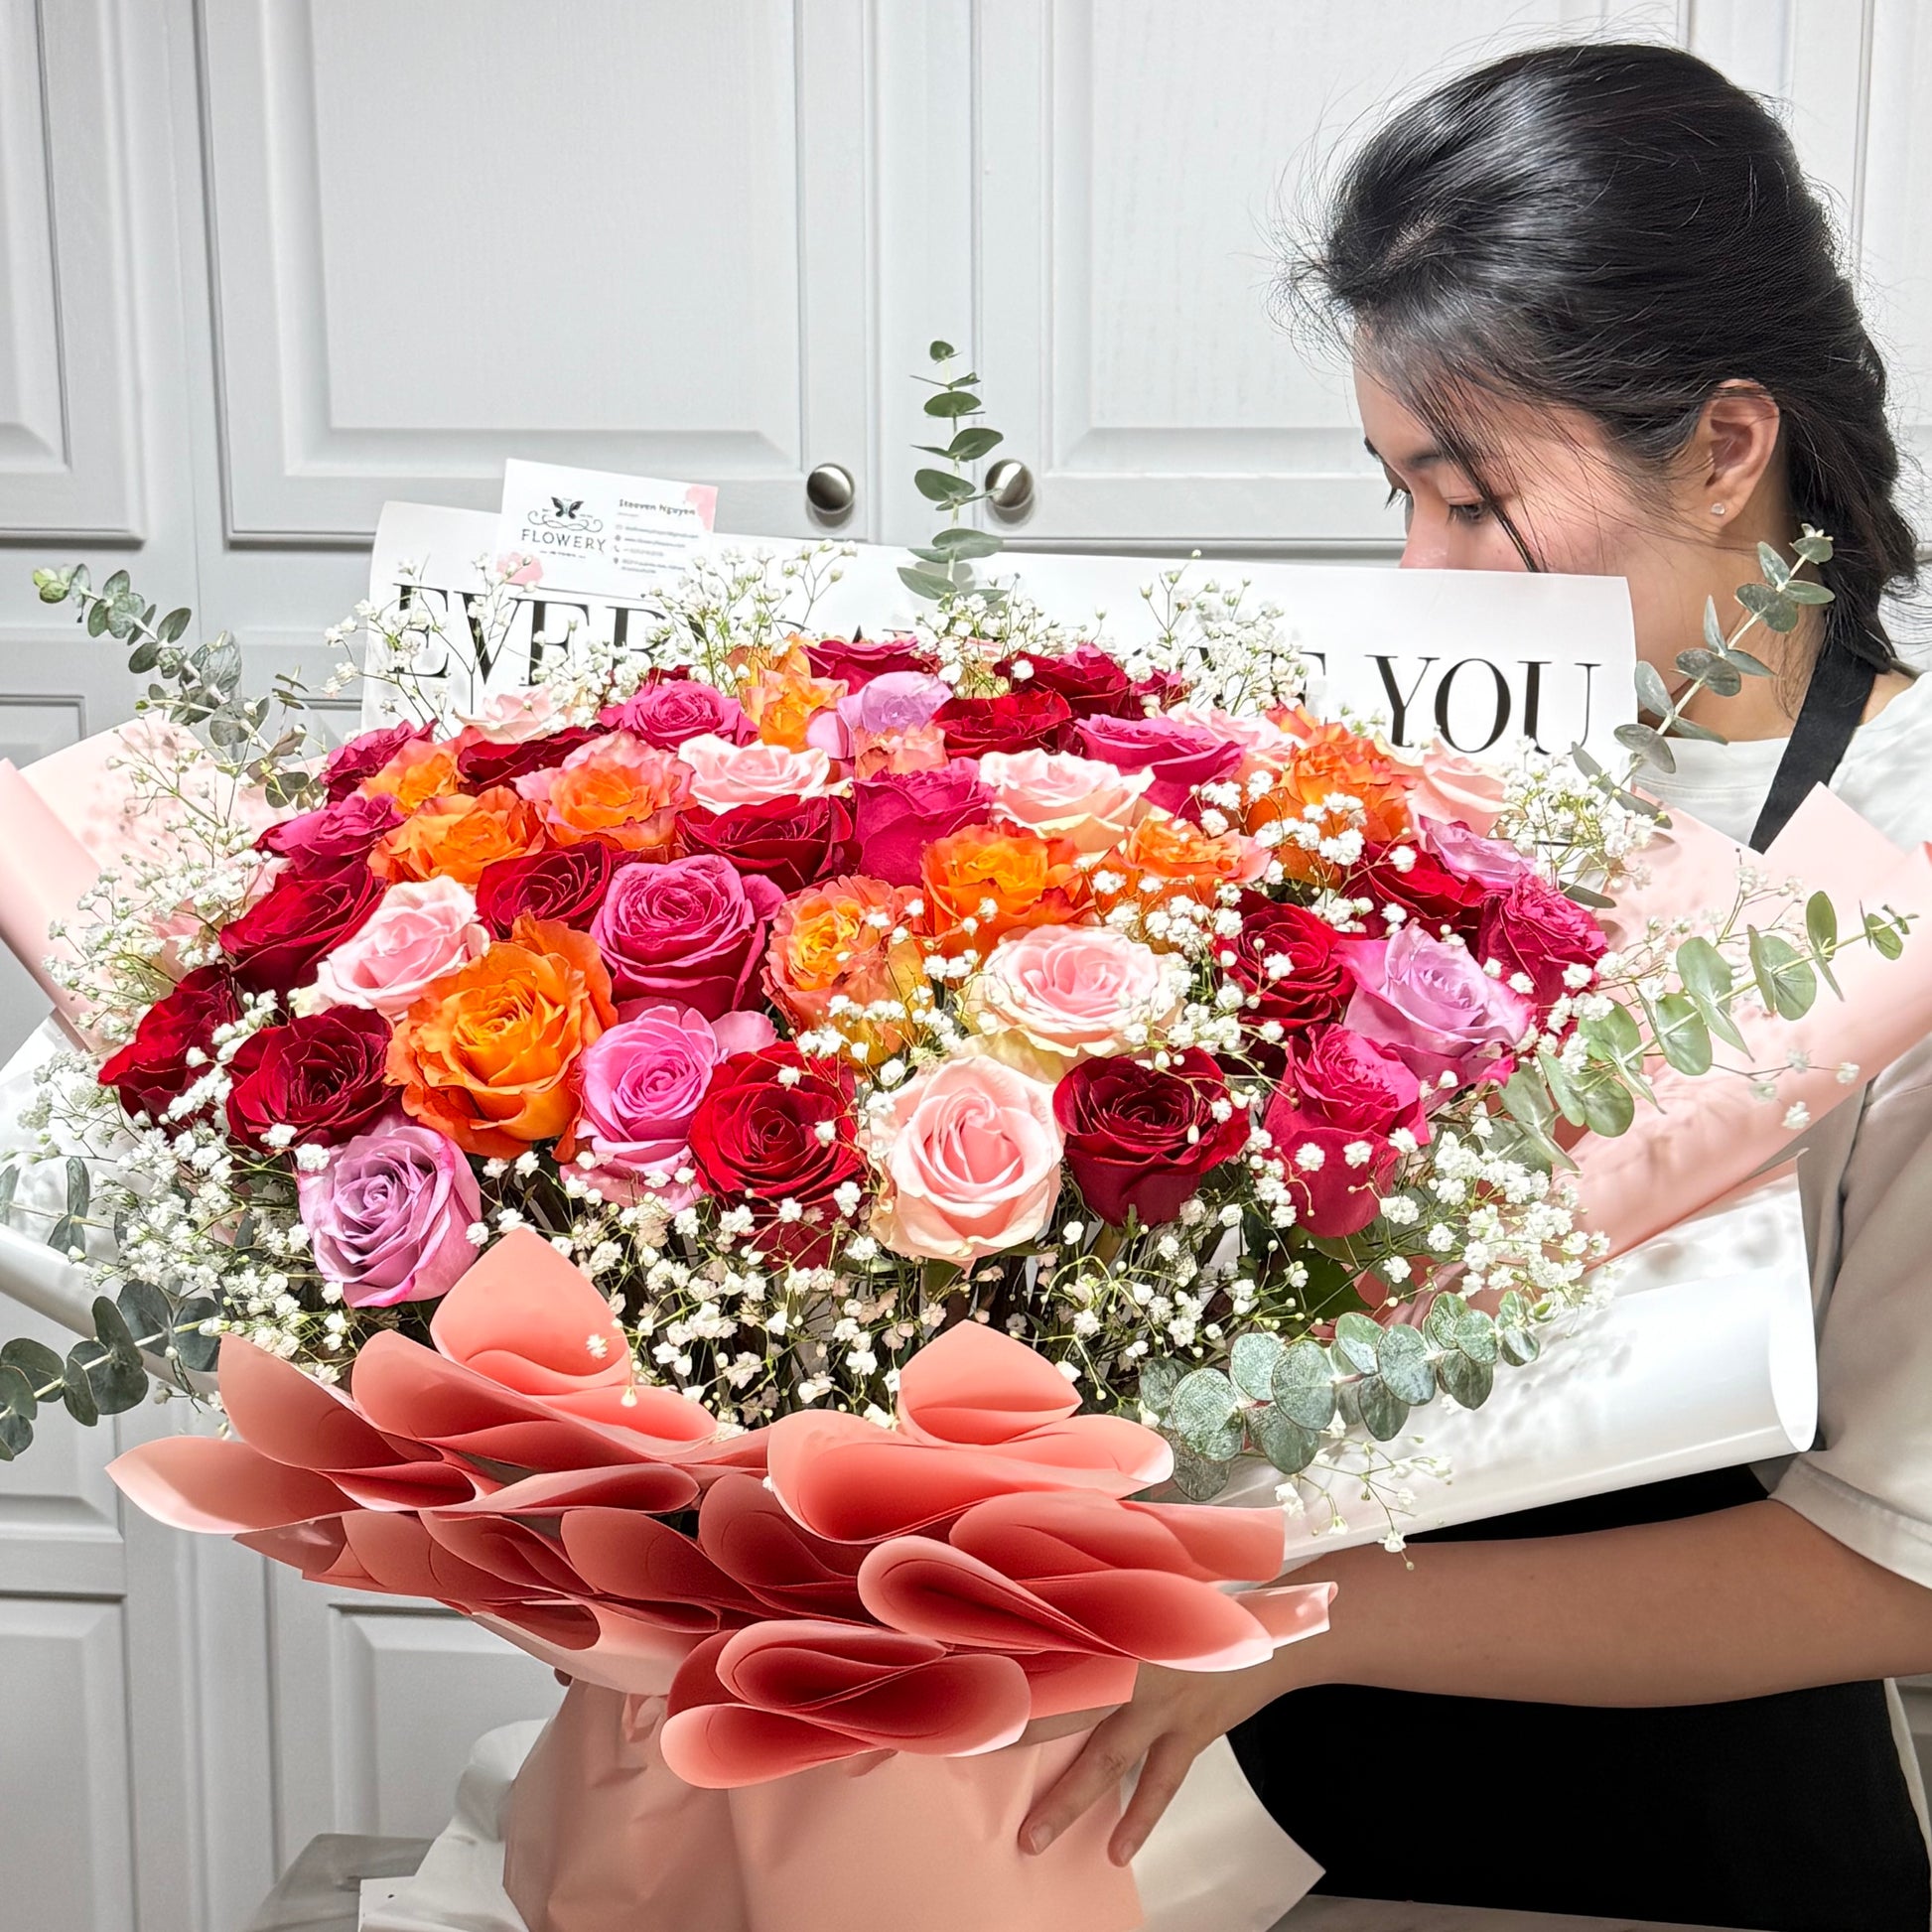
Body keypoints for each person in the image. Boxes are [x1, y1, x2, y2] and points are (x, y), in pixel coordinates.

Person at [1019, 41, 1932, 1932]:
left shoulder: (1899, 861)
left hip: (1708, 1833)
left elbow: (1898, 1567)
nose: (1424, 579)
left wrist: (1301, 1619)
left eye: (1470, 496)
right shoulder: (1441, 773)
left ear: (1725, 445)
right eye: (1393, 495)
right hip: (1281, 1788)